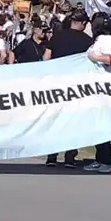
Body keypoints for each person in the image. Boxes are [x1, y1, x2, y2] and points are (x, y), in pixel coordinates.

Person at [43, 10, 92, 167]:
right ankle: (70, 156)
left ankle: (51, 156)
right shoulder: (87, 41)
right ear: (83, 23)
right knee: (73, 121)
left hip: (56, 84)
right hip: (76, 86)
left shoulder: (57, 36)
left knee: (55, 119)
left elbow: (46, 57)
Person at [85, 13, 111, 173]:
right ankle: (101, 157)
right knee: (98, 122)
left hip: (109, 84)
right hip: (100, 85)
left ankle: (107, 160)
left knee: (103, 122)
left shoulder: (107, 39)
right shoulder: (99, 40)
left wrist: (97, 58)